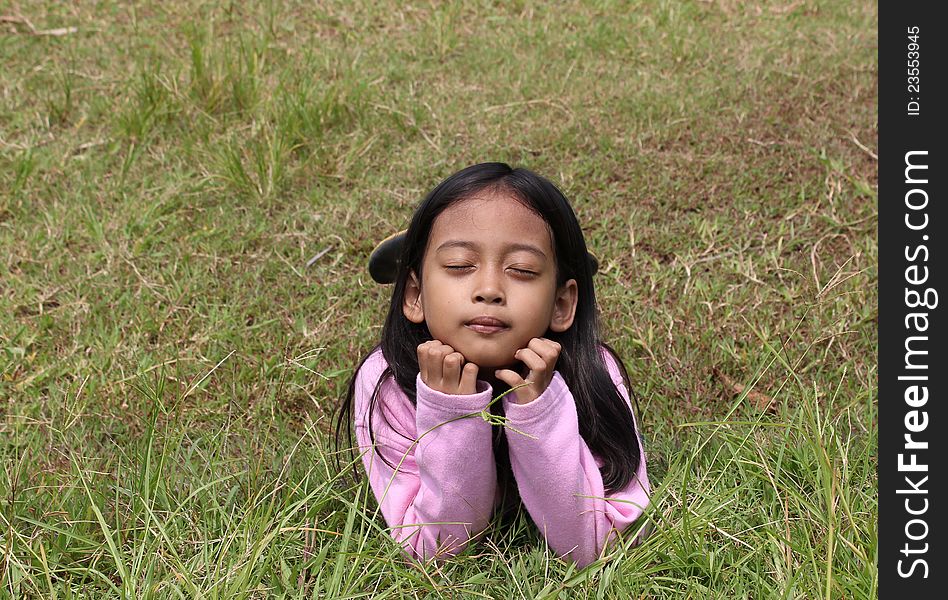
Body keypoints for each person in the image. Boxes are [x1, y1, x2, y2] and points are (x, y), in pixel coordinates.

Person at [333, 162, 650, 568]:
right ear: (414, 294)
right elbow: (436, 554)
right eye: (459, 266)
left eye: (523, 270)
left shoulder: (595, 373)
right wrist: (451, 414)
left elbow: (594, 548)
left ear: (561, 304)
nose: (488, 290)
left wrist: (539, 410)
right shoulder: (387, 383)